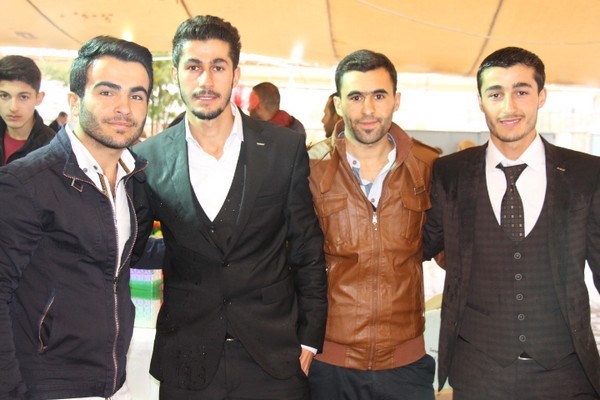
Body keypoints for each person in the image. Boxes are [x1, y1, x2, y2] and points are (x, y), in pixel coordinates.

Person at [132, 15, 327, 399]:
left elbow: (307, 246)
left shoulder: (283, 147)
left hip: (273, 357)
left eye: (218, 67)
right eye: (193, 67)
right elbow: (131, 244)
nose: (206, 80)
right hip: (187, 356)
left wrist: (310, 337)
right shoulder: (148, 157)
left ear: (236, 74)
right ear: (175, 74)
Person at [423, 46, 600, 399]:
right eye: (495, 94)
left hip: (566, 372)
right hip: (478, 373)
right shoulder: (450, 173)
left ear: (541, 96)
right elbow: (413, 247)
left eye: (521, 91)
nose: (509, 107)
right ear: (480, 101)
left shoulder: (586, 173)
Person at [0, 35, 153, 399]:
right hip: (48, 385)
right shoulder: (25, 182)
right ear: (74, 101)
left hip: (114, 382)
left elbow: (114, 259)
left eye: (136, 95)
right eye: (107, 92)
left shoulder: (133, 178)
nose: (124, 108)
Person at [307, 49, 438, 400]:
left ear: (396, 100)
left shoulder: (428, 166)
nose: (368, 109)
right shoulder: (309, 168)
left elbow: (451, 252)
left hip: (406, 364)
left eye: (379, 96)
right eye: (355, 97)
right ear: (338, 104)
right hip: (328, 361)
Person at [0, 55, 54, 166]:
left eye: (23, 97)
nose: (13, 107)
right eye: (4, 96)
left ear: (39, 98)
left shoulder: (52, 148)